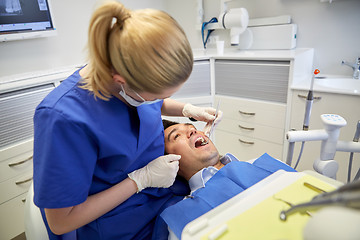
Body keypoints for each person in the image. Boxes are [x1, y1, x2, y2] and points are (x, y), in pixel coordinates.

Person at [32, 2, 221, 239]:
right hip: (119, 225)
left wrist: (188, 110)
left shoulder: (129, 80)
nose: (161, 101)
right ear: (120, 79)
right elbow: (61, 222)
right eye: (158, 95)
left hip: (165, 196)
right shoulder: (63, 119)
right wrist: (139, 181)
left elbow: (149, 102)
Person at [157, 120, 296, 239]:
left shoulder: (268, 164)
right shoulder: (183, 218)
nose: (193, 132)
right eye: (176, 136)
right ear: (168, 162)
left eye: (193, 128)